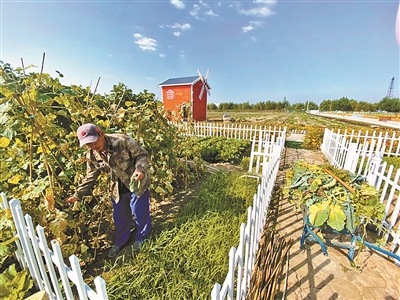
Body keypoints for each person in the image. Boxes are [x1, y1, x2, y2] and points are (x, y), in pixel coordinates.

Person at [65, 123, 151, 257]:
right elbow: (91, 176)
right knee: (119, 217)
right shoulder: (92, 155)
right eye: (88, 144)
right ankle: (121, 241)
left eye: (94, 141)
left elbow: (142, 155)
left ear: (101, 134)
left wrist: (139, 169)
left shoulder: (122, 141)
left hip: (136, 182)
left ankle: (141, 237)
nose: (93, 146)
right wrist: (77, 194)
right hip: (117, 188)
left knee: (139, 212)